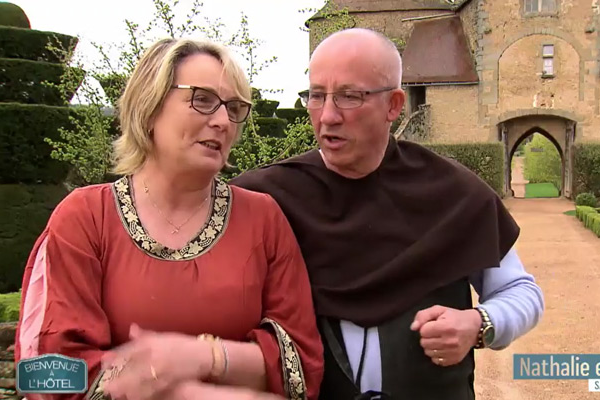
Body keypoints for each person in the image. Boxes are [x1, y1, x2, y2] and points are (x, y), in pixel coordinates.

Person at [230, 28, 545, 400]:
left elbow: (521, 291)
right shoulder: (267, 196)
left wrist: (479, 324)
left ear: (394, 105)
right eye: (316, 95)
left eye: (349, 97)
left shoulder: (452, 193)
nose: (328, 116)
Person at [14, 38, 323, 400]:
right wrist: (194, 393)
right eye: (202, 99)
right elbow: (48, 373)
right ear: (150, 106)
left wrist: (202, 357)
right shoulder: (84, 218)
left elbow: (302, 366)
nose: (223, 121)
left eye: (234, 107)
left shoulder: (263, 219)